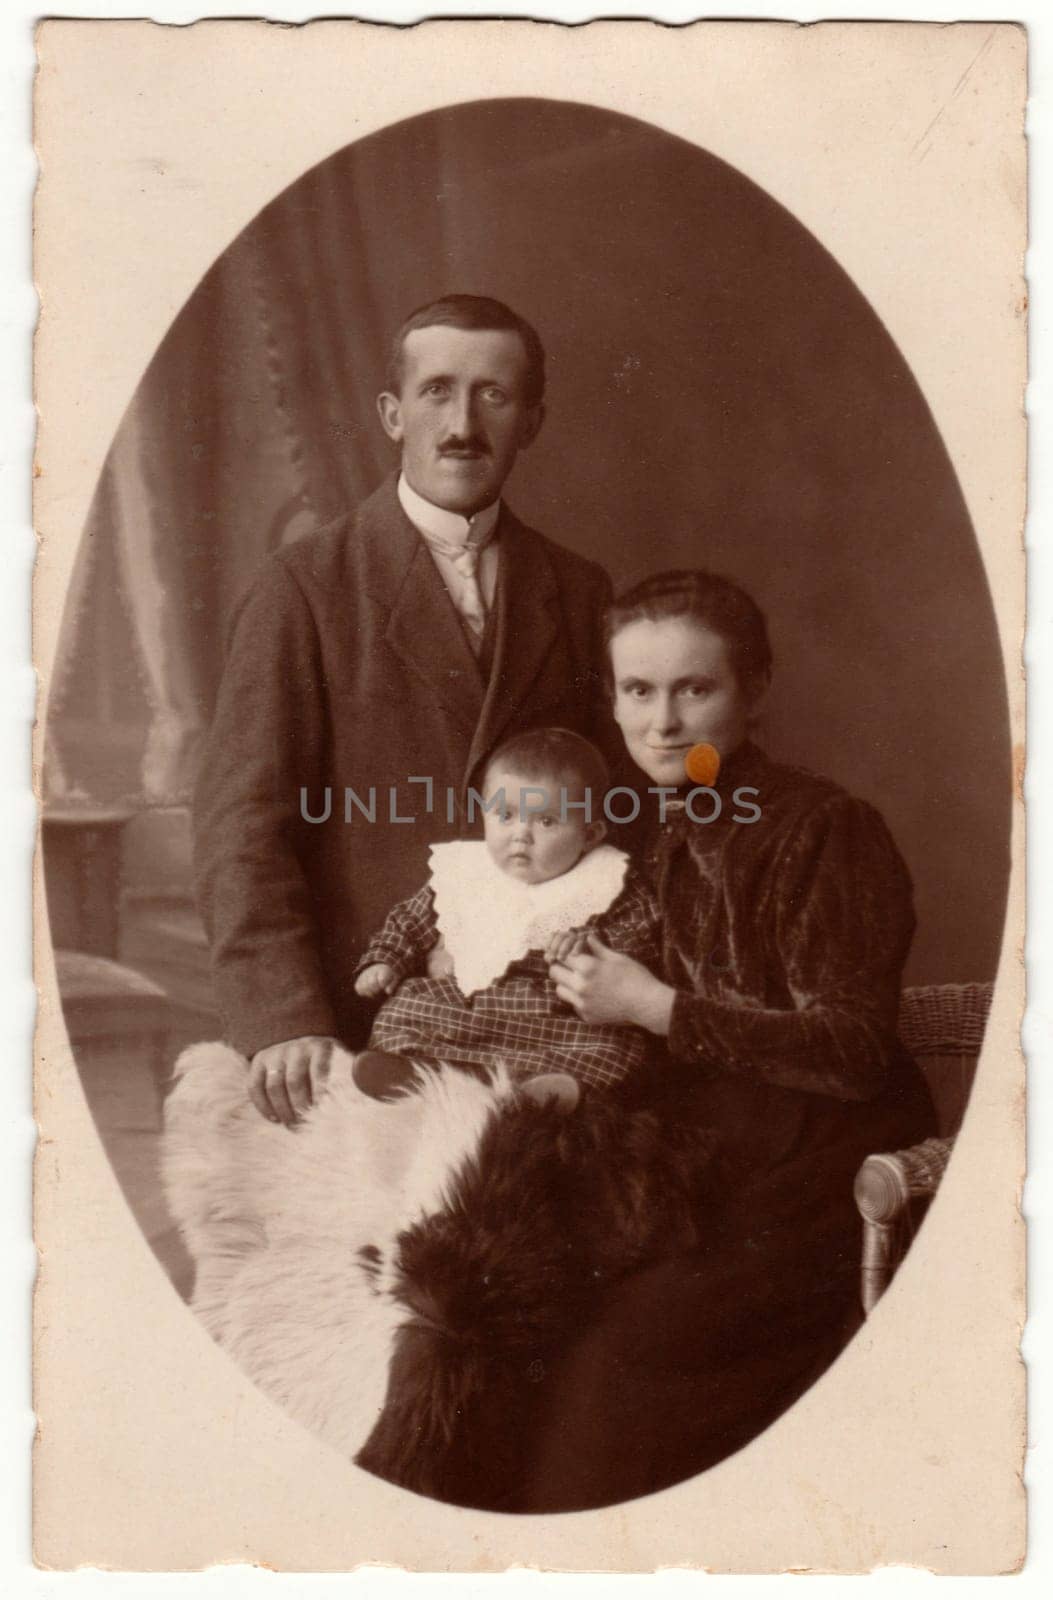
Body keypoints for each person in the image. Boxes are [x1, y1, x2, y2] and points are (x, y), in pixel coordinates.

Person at [515, 568, 938, 1511]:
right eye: (637, 690)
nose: (662, 722)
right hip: (704, 1138)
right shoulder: (664, 827)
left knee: (619, 1362)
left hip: (817, 1160)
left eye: (693, 689)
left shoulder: (827, 828)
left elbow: (851, 1048)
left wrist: (655, 1007)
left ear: (752, 692)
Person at [194, 296, 613, 1127]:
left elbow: (617, 805)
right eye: (436, 392)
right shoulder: (304, 588)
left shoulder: (578, 589)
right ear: (393, 414)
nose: (462, 424)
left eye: (493, 396)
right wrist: (284, 1017)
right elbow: (240, 824)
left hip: (543, 1024)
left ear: (531, 420)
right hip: (364, 1026)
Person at [351, 727, 662, 1101]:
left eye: (546, 822)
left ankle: (534, 1090)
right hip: (464, 1010)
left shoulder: (609, 883)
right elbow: (408, 923)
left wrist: (590, 949)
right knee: (401, 1013)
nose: (521, 835)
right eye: (505, 815)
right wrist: (384, 962)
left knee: (616, 1053)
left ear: (590, 833)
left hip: (552, 1024)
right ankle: (428, 1074)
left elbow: (640, 945)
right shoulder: (465, 873)